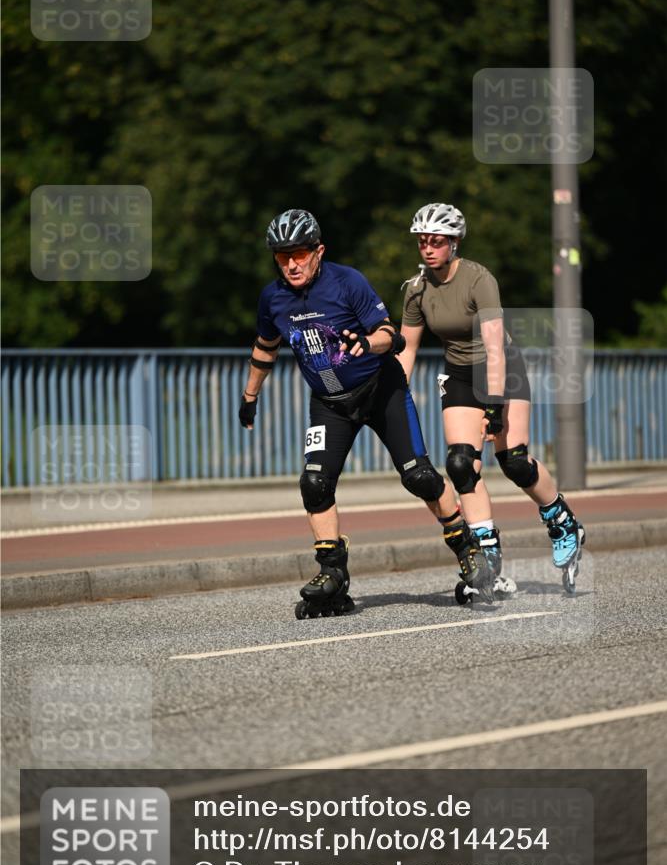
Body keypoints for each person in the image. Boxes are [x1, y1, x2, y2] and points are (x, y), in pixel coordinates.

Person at [238, 208, 495, 618]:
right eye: (282, 256)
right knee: (315, 484)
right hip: (330, 403)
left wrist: (366, 343)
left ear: (318, 251)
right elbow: (265, 347)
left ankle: (468, 548)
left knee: (420, 476)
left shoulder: (347, 281)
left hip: (382, 390)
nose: (291, 263)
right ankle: (333, 575)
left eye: (300, 253)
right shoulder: (273, 298)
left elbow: (388, 333)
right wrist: (250, 396)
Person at [397, 202, 586, 593]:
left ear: (454, 242)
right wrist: (392, 396)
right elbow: (408, 350)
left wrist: (494, 407)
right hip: (460, 373)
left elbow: (495, 346)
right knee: (461, 464)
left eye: (437, 241)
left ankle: (564, 521)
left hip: (500, 366)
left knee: (513, 461)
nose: (428, 248)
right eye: (422, 242)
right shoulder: (416, 290)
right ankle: (487, 556)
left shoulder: (478, 279)